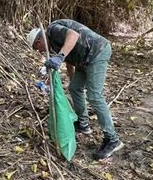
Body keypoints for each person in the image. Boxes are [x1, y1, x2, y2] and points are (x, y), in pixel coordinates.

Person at [27, 19, 123, 160]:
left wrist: (59, 57)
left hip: (96, 52)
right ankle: (83, 124)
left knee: (95, 96)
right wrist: (74, 83)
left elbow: (73, 35)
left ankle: (113, 139)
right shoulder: (53, 44)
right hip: (83, 60)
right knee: (74, 88)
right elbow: (69, 61)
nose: (40, 51)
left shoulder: (52, 30)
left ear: (39, 40)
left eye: (37, 47)